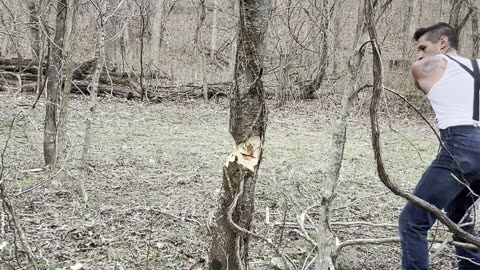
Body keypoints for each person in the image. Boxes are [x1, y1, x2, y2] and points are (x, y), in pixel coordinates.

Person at [400, 22, 480, 270]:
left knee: (412, 220)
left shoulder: (426, 67)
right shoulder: (477, 65)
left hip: (461, 147)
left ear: (443, 43)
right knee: (457, 215)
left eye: (423, 47)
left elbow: (421, 83)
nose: (420, 54)